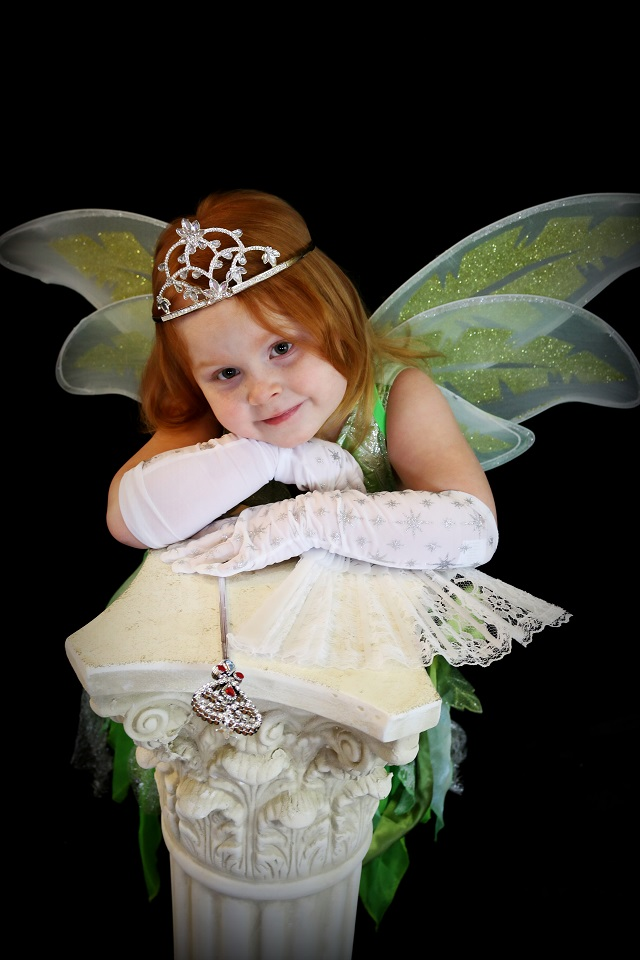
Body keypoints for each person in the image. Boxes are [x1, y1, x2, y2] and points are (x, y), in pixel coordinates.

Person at [2, 188, 637, 928]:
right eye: (225, 374)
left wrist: (312, 515)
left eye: (282, 347)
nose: (263, 389)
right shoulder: (220, 420)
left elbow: (470, 529)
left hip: (351, 648)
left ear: (331, 318)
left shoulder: (397, 395)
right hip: (225, 651)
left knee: (333, 799)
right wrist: (256, 454)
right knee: (223, 806)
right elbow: (129, 517)